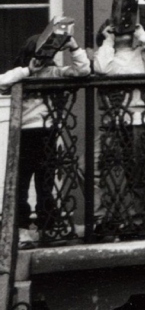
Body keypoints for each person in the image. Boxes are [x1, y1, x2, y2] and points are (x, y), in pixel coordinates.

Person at [0, 30, 90, 245]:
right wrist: (27, 70)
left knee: (45, 182)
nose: (44, 61)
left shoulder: (53, 72)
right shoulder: (20, 73)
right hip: (24, 133)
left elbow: (83, 71)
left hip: (48, 132)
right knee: (21, 184)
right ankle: (20, 230)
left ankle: (47, 227)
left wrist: (74, 47)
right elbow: (1, 82)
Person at [93, 21, 145, 235]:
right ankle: (103, 216)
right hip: (112, 123)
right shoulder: (105, 53)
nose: (123, 30)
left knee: (136, 174)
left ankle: (136, 221)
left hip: (138, 120)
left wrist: (140, 31)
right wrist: (108, 40)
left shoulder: (143, 53)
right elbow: (101, 68)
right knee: (91, 168)